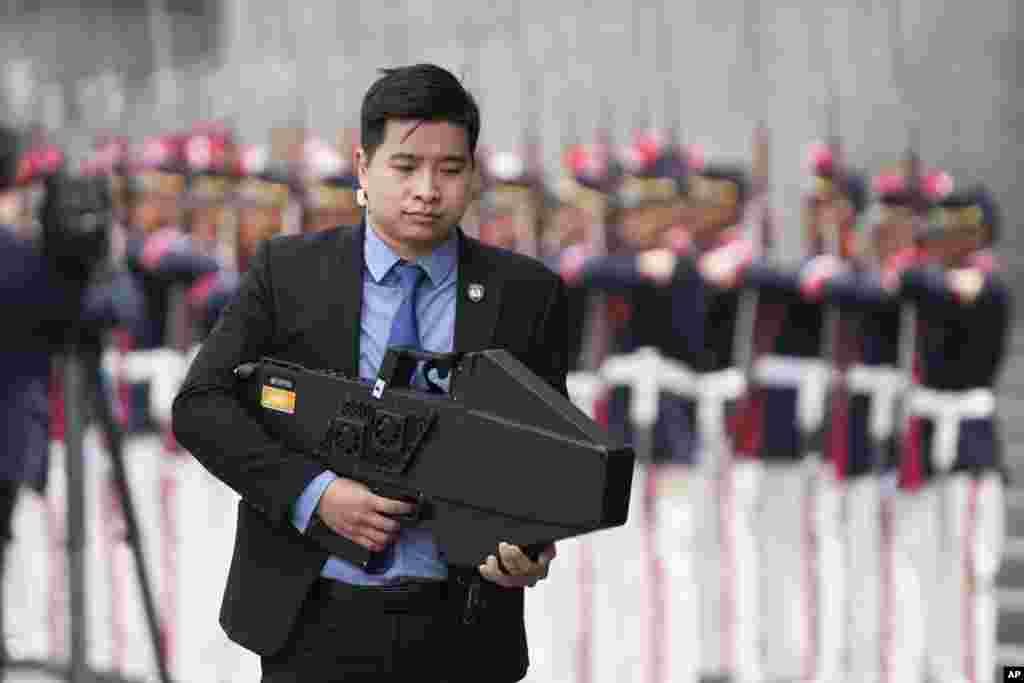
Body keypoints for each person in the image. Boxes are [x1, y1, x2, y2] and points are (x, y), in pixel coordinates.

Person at [172, 63, 561, 683]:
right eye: (406, 167)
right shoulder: (290, 273)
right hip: (313, 616)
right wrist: (315, 494)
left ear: (473, 174)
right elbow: (200, 406)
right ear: (363, 167)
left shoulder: (527, 296)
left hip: (462, 627)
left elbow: (546, 460)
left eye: (450, 169)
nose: (427, 190)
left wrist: (529, 546)